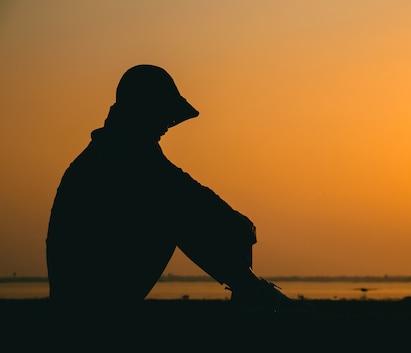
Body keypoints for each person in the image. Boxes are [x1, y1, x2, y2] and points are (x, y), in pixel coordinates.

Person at [46, 64, 310, 312]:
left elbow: (185, 190)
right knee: (173, 214)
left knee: (175, 210)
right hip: (88, 294)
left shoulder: (117, 148)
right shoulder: (122, 153)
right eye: (161, 115)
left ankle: (249, 289)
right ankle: (251, 291)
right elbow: (186, 196)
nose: (166, 127)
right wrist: (235, 223)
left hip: (91, 288)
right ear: (145, 111)